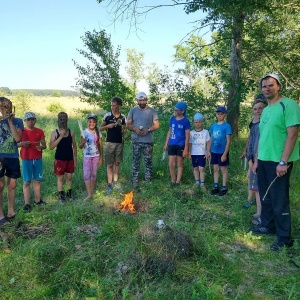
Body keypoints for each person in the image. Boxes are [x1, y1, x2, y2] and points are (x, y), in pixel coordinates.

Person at [250, 73, 300, 251]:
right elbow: (263, 137)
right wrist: (256, 160)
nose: (267, 88)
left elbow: (293, 133)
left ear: (278, 86)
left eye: (271, 85)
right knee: (266, 196)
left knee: (279, 199)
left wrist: (283, 161)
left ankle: (285, 237)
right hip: (263, 160)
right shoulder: (267, 109)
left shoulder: (289, 104)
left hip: (279, 161)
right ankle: (268, 226)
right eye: (264, 86)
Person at [242, 96, 267, 226]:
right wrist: (246, 152)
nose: (257, 110)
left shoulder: (263, 124)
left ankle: (260, 212)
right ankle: (250, 200)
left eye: (260, 108)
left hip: (259, 157)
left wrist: (255, 161)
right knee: (251, 181)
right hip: (251, 155)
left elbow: (260, 143)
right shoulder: (254, 121)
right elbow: (251, 138)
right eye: (255, 108)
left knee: (257, 188)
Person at [126, 92, 159, 189]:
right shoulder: (133, 111)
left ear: (146, 100)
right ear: (137, 101)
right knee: (135, 161)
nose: (142, 102)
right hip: (136, 141)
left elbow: (157, 125)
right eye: (140, 100)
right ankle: (135, 182)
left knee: (148, 162)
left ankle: (148, 181)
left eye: (144, 100)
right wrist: (135, 129)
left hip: (148, 141)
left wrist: (148, 130)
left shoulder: (152, 111)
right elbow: (128, 124)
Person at [0, 97, 23, 226]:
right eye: (2, 107)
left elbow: (18, 138)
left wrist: (9, 122)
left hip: (12, 156)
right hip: (0, 157)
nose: (5, 109)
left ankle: (10, 211)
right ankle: (0, 215)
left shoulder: (18, 121)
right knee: (0, 185)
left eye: (7, 107)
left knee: (12, 185)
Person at [19, 112, 47, 212]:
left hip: (37, 159)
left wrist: (41, 147)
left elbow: (44, 145)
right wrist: (23, 143)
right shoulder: (21, 132)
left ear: (35, 120)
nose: (31, 121)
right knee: (27, 181)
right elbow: (16, 144)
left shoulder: (39, 131)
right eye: (29, 120)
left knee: (37, 180)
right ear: (25, 121)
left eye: (33, 119)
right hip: (26, 159)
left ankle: (38, 201)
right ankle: (27, 204)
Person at [99, 97, 126, 195]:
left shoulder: (123, 117)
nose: (113, 107)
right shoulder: (107, 116)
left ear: (119, 106)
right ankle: (109, 184)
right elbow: (100, 128)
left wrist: (123, 130)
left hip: (119, 143)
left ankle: (115, 182)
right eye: (112, 105)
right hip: (109, 143)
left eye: (114, 105)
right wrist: (107, 126)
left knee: (117, 163)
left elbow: (124, 128)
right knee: (110, 164)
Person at [49, 112, 77, 204]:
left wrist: (75, 159)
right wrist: (60, 136)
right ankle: (61, 196)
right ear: (58, 120)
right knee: (60, 178)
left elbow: (74, 146)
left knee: (69, 177)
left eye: (64, 119)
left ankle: (69, 194)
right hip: (60, 159)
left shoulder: (71, 132)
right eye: (60, 119)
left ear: (67, 120)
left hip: (69, 158)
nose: (62, 121)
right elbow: (51, 147)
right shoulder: (55, 132)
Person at [163, 101, 190, 186]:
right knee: (171, 164)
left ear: (182, 111)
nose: (175, 111)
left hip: (180, 145)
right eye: (174, 109)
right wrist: (166, 143)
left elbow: (187, 135)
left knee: (179, 163)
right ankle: (173, 180)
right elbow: (170, 131)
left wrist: (186, 148)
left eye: (177, 110)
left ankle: (178, 182)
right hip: (172, 144)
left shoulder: (186, 121)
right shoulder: (172, 119)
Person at [208, 106, 232, 196]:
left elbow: (228, 141)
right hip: (214, 151)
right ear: (216, 115)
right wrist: (208, 150)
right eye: (218, 114)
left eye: (221, 114)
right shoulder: (214, 126)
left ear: (225, 115)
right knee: (215, 169)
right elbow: (210, 139)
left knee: (223, 169)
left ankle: (224, 187)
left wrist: (225, 154)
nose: (220, 115)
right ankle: (216, 186)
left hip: (222, 152)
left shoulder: (227, 126)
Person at [79, 114, 102, 200]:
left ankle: (91, 193)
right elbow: (80, 146)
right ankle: (89, 194)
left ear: (96, 123)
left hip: (96, 156)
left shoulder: (98, 133)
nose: (92, 123)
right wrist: (83, 143)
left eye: (94, 122)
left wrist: (101, 158)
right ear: (87, 122)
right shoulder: (84, 132)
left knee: (94, 174)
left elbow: (100, 146)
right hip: (87, 157)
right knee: (86, 175)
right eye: (90, 122)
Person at [188, 112, 210, 191]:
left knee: (201, 168)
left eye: (199, 122)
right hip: (194, 153)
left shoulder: (205, 132)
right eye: (196, 122)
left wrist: (208, 151)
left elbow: (208, 142)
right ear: (194, 123)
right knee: (195, 168)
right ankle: (197, 182)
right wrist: (189, 153)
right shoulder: (191, 133)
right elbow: (190, 143)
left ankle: (202, 184)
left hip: (202, 153)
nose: (198, 124)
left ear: (202, 122)